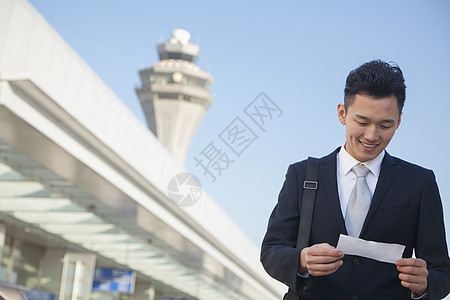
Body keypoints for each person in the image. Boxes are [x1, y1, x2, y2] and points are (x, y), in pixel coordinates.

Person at [260, 60, 450, 300]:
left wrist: (424, 285)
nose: (371, 135)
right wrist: (301, 260)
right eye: (362, 122)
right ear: (342, 113)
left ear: (399, 121)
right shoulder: (302, 175)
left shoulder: (420, 183)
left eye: (385, 125)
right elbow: (271, 251)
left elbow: (441, 271)